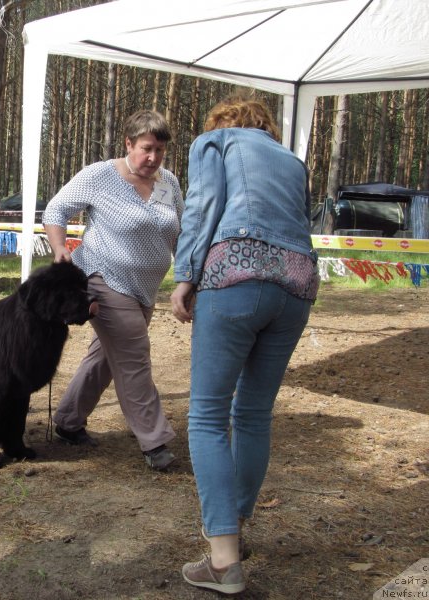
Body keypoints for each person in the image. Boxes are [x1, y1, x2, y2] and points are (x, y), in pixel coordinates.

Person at [171, 96, 319, 594]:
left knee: (207, 415)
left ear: (221, 122)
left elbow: (203, 206)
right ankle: (236, 531)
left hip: (235, 273)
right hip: (297, 286)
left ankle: (223, 560)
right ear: (267, 126)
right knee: (253, 414)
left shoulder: (215, 141)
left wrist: (185, 276)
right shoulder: (293, 160)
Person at [42, 109, 183, 471]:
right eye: (147, 149)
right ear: (128, 144)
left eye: (160, 151)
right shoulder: (100, 175)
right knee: (134, 355)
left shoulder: (169, 183)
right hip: (103, 280)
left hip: (145, 288)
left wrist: (187, 277)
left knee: (105, 358)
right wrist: (60, 248)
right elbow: (56, 209)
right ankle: (154, 442)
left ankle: (68, 422)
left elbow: (180, 233)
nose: (153, 158)